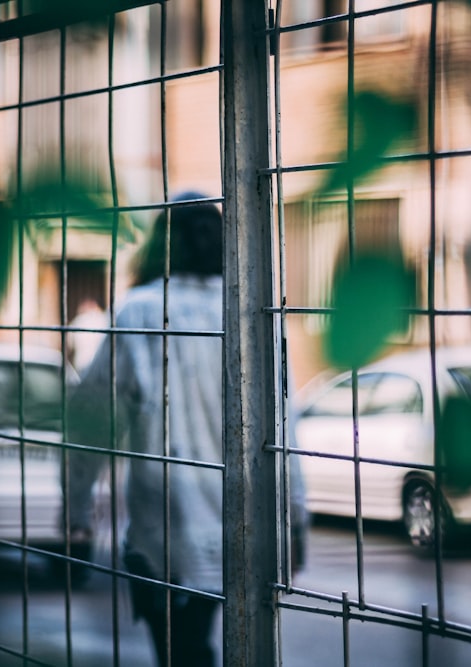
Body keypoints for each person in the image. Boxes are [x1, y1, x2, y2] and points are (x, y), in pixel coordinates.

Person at [64, 191, 308, 667]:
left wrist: (76, 504)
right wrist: (294, 519)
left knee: (179, 652)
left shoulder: (139, 312)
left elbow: (90, 421)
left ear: (161, 245)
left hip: (163, 528)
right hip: (239, 523)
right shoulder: (255, 316)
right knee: (207, 643)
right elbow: (285, 425)